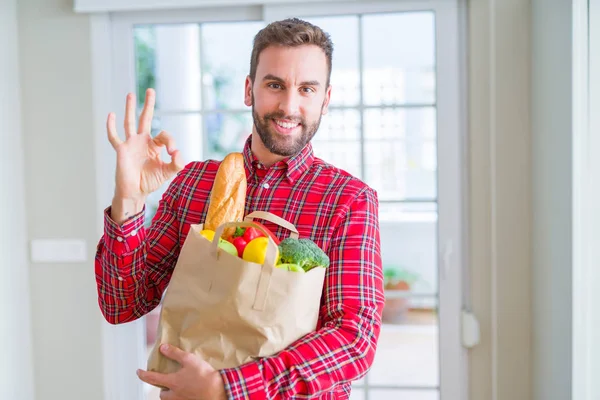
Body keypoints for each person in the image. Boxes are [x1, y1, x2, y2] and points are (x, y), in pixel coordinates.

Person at [95, 17, 385, 400]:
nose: (289, 105)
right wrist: (128, 198)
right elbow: (122, 303)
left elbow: (354, 339)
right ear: (249, 90)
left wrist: (225, 388)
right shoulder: (194, 184)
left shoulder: (348, 200)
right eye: (274, 84)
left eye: (307, 89)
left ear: (325, 100)